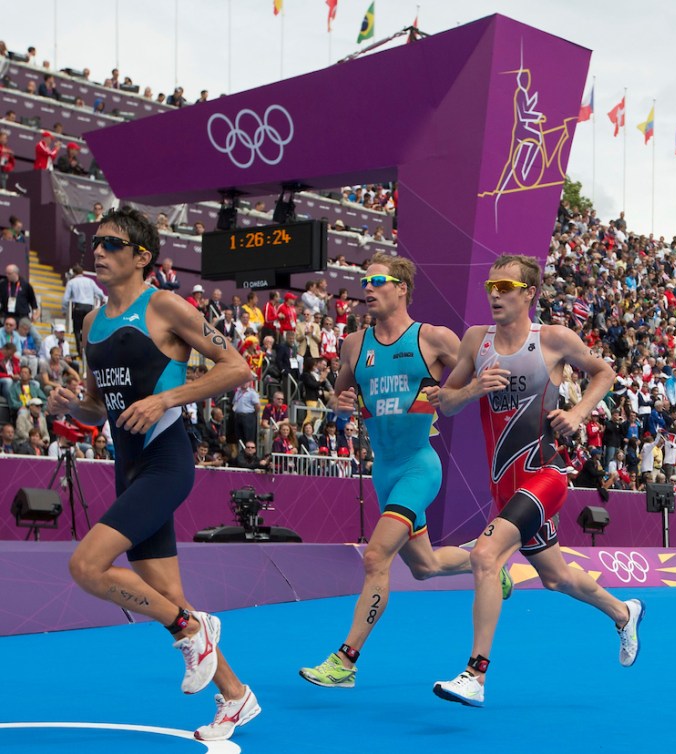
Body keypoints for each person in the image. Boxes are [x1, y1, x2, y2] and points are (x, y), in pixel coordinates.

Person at [45, 206, 260, 741]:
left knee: (87, 566)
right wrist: (74, 407)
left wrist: (166, 396)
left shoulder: (164, 305)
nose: (99, 251)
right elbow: (101, 408)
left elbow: (238, 367)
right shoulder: (91, 322)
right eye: (96, 241)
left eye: (113, 244)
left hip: (166, 461)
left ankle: (191, 628)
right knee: (164, 590)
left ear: (143, 257)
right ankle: (236, 696)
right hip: (128, 465)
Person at [428, 254, 644, 708]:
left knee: (486, 556)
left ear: (529, 293)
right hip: (504, 487)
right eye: (491, 285)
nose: (496, 293)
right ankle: (624, 613)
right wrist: (472, 390)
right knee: (555, 577)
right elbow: (445, 403)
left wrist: (578, 413)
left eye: (506, 286)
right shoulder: (475, 341)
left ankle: (475, 674)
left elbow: (604, 372)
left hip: (546, 476)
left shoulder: (553, 339)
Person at [298, 252, 510, 689]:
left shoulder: (431, 338)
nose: (367, 288)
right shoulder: (355, 344)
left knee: (376, 557)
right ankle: (483, 562)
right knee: (425, 566)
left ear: (401, 289)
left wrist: (467, 390)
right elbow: (342, 392)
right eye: (365, 280)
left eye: (377, 280)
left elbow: (484, 371)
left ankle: (346, 661)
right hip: (385, 471)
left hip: (419, 466)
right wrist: (339, 403)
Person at [62, 264, 105, 359]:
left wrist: (64, 309)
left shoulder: (72, 282)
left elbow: (66, 298)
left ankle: (79, 351)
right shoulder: (90, 281)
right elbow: (99, 292)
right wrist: (104, 300)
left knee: (77, 330)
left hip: (78, 306)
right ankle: (88, 348)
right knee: (88, 328)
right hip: (88, 307)